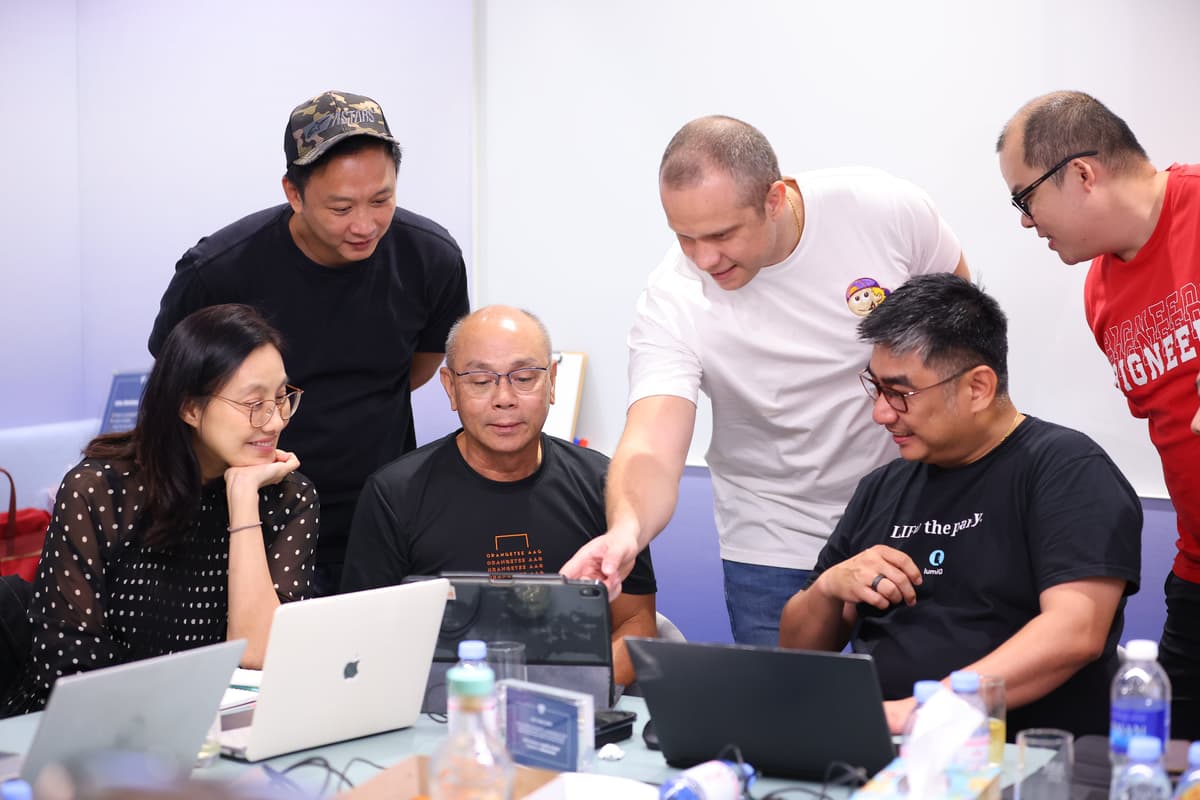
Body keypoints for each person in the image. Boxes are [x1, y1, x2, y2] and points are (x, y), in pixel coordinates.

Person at [561, 115, 969, 644]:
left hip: (910, 515)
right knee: (785, 697)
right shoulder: (674, 298)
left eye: (722, 234)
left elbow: (962, 333)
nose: (704, 259)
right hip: (773, 537)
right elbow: (652, 443)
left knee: (924, 691)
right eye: (685, 237)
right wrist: (626, 531)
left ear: (775, 199)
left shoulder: (882, 210)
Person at [778, 274, 1141, 737]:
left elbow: (1076, 631)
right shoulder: (881, 486)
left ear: (978, 388)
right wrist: (829, 588)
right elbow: (799, 654)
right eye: (876, 388)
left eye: (900, 394)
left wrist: (923, 712)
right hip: (885, 748)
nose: (881, 413)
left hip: (1019, 751)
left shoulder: (1066, 469)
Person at [148, 90, 469, 596]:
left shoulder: (431, 258)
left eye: (381, 200)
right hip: (245, 515)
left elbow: (421, 364)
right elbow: (177, 386)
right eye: (341, 207)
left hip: (379, 514)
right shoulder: (219, 270)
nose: (365, 225)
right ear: (293, 194)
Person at [996, 90, 1200, 739]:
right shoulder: (1101, 293)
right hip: (1196, 570)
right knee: (1162, 761)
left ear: (1082, 173)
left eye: (1024, 198)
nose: (1025, 222)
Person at [3, 304, 316, 714]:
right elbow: (68, 664)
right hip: (92, 726)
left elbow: (259, 658)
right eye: (253, 403)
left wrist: (243, 502)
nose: (274, 421)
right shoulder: (99, 491)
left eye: (281, 398)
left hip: (220, 727)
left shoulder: (288, 496)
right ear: (190, 408)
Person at [342, 306, 656, 686]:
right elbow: (365, 640)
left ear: (552, 382)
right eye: (480, 381)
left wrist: (558, 700)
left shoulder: (605, 484)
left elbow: (635, 623)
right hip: (442, 707)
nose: (504, 398)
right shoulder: (394, 494)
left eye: (524, 378)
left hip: (573, 707)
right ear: (450, 387)